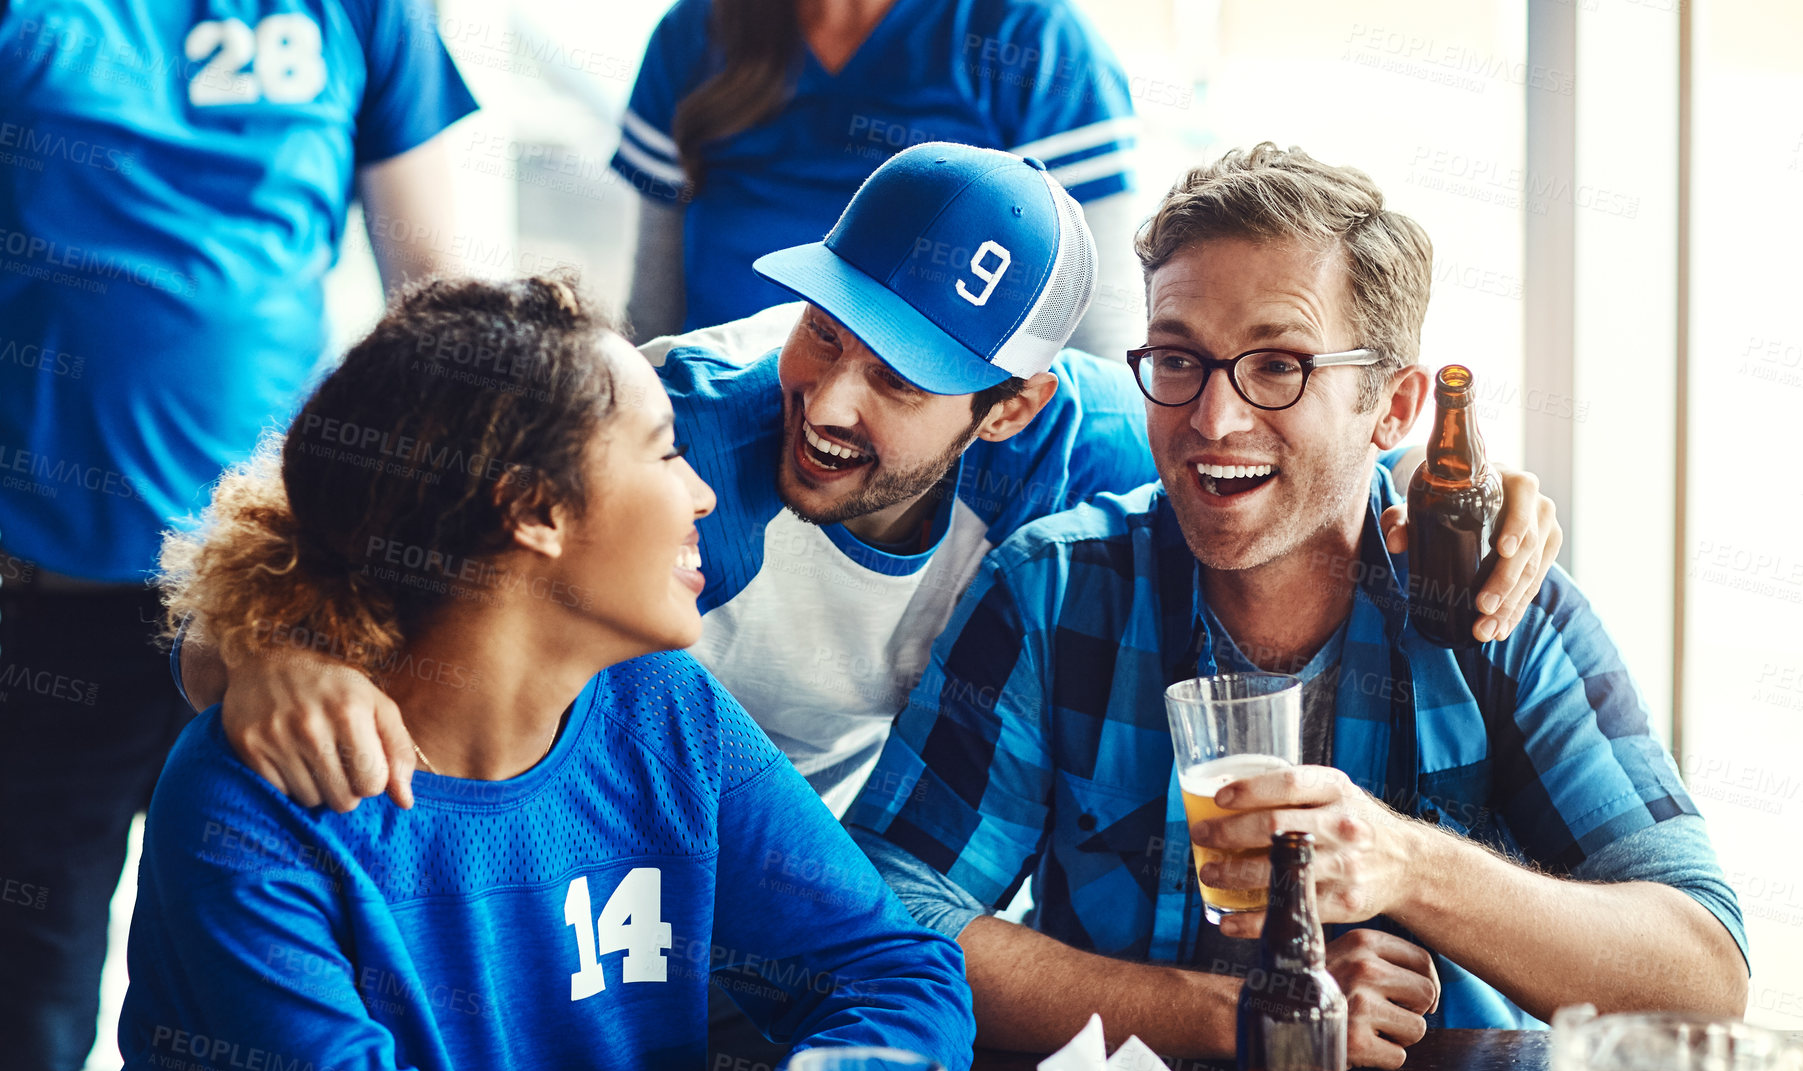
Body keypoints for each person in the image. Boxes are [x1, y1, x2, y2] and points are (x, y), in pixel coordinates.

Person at [178, 143, 1562, 824]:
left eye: (901, 379)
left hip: (787, 891)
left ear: (1010, 405)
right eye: (823, 329)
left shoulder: (1084, 442)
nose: (827, 401)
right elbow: (320, 546)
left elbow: (1277, 437)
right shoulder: (681, 455)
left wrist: (1464, 493)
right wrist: (250, 657)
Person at [843, 143, 1750, 1067]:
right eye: (1177, 359)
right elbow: (886, 904)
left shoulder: (1497, 605)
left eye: (1278, 366)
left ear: (1393, 409)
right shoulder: (1053, 591)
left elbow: (1703, 982)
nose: (1212, 420)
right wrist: (1241, 1014)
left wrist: (1405, 861)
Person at [107, 275, 974, 1071]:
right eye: (667, 451)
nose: (704, 494)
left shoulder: (661, 706)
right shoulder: (258, 807)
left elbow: (898, 972)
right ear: (533, 511)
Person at [0, 2, 476, 1071]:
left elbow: (445, 308)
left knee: (307, 1010)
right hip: (42, 604)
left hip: (283, 606)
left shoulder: (364, 13)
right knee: (24, 1022)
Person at [609, 0, 1145, 358]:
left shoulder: (1033, 40)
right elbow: (653, 314)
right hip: (717, 427)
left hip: (938, 470)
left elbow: (1096, 343)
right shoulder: (693, 33)